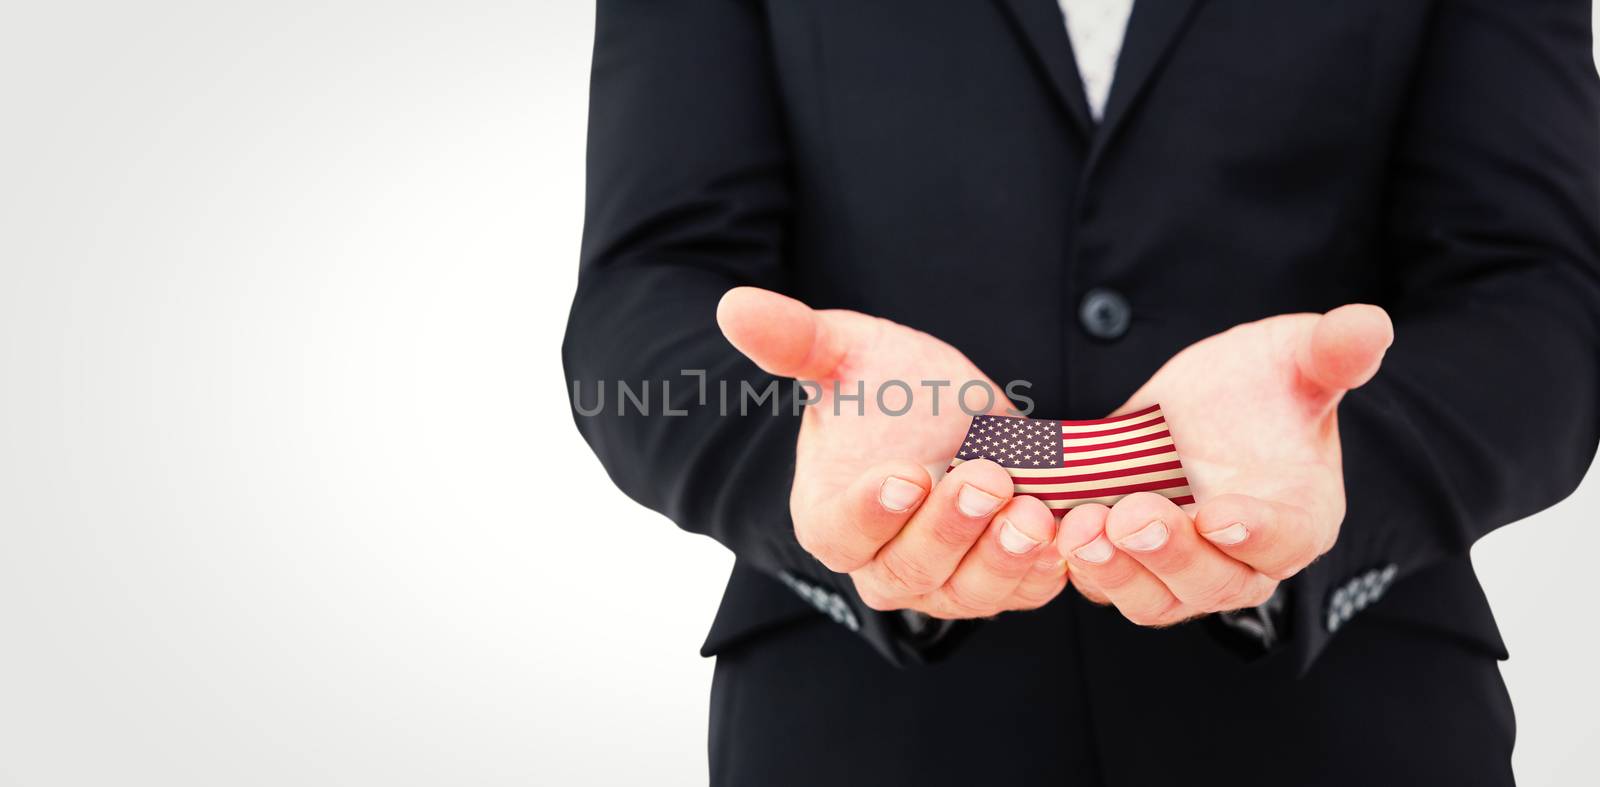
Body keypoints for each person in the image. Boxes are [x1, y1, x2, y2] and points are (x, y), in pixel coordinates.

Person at [563, 1, 1600, 784]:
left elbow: (1540, 297)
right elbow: (644, 292)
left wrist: (1348, 468)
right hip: (859, 726)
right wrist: (807, 463)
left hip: (1353, 720)